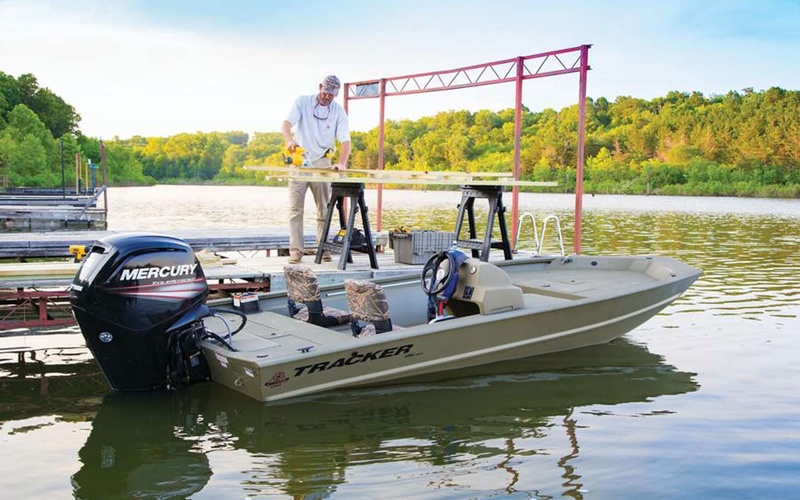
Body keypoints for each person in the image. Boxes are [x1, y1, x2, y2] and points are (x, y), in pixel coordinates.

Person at [282, 74, 351, 264]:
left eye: (332, 95)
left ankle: (323, 248)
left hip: (322, 161)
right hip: (300, 160)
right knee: (295, 209)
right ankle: (296, 251)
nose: (328, 97)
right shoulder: (302, 102)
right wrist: (289, 140)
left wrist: (342, 162)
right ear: (320, 87)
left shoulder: (338, 112)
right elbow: (286, 124)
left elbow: (345, 141)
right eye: (326, 92)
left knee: (324, 209)